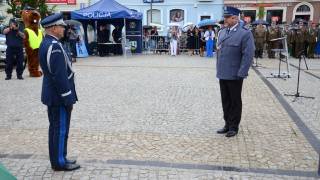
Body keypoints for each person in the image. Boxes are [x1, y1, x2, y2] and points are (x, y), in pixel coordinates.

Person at [39, 13, 80, 171]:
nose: (64, 29)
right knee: (60, 130)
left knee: (56, 129)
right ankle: (59, 162)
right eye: (61, 26)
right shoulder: (54, 46)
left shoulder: (47, 42)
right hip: (58, 97)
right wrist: (68, 97)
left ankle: (60, 157)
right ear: (54, 28)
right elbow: (59, 76)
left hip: (53, 96)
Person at [216, 6, 255, 137]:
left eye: (227, 17)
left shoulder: (244, 33)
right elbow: (220, 51)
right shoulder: (222, 32)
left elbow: (248, 54)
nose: (225, 20)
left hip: (235, 74)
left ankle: (234, 126)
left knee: (235, 101)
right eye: (225, 17)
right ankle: (227, 124)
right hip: (223, 72)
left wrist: (242, 72)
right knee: (225, 100)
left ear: (235, 18)